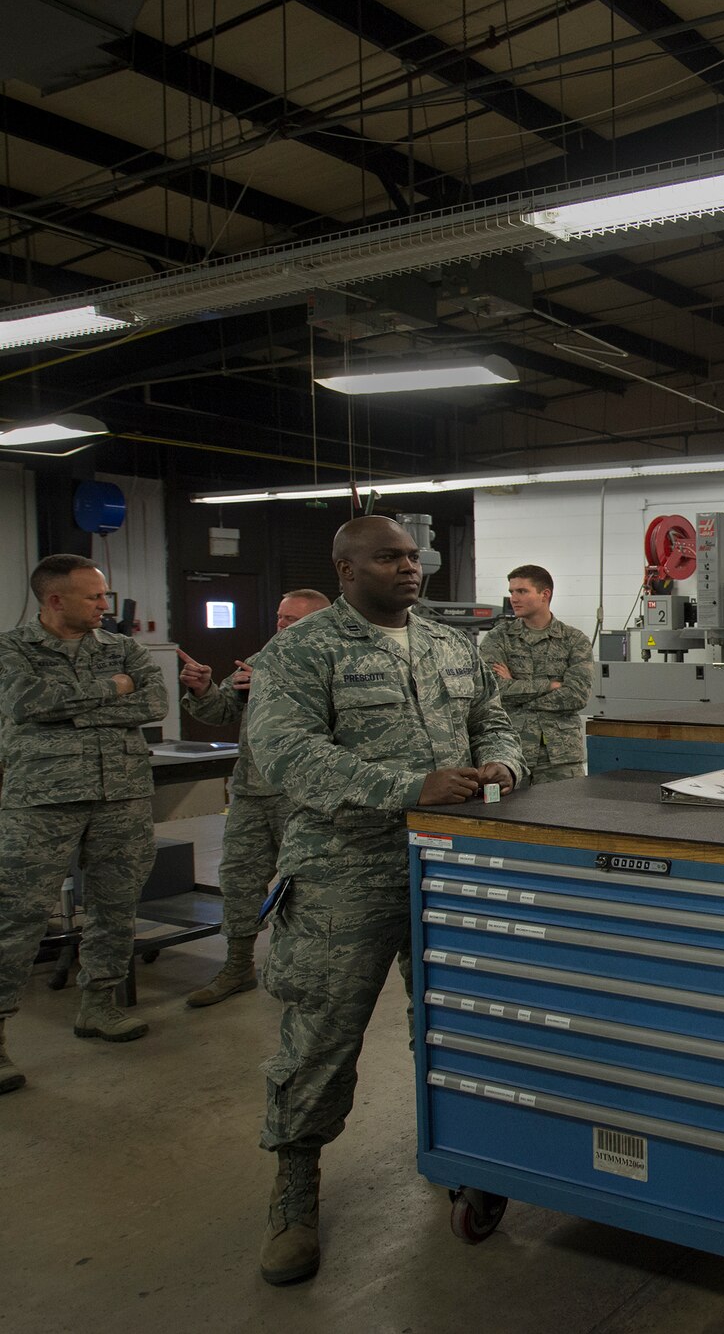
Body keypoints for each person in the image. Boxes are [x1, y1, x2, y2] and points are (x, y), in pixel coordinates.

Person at [248, 516, 522, 1286]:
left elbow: (491, 720)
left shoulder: (449, 644)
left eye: (413, 556)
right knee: (324, 1036)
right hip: (345, 872)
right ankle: (295, 1190)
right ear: (345, 568)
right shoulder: (301, 651)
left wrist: (501, 760)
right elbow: (287, 755)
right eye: (389, 557)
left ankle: (456, 1151)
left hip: (449, 863)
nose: (409, 568)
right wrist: (407, 788)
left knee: (450, 1021)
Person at [0, 554, 168, 1094]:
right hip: (42, 800)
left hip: (121, 794)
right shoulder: (13, 650)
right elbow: (27, 702)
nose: (104, 605)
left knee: (115, 907)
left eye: (104, 595)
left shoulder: (121, 648)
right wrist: (113, 692)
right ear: (54, 600)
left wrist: (73, 710)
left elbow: (157, 700)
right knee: (17, 914)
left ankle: (98, 1006)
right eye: (94, 597)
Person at [176, 588, 331, 1006]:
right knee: (240, 879)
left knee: (306, 885)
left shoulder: (335, 663)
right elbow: (222, 712)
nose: (282, 626)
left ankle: (308, 971)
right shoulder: (260, 661)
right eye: (280, 618)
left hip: (301, 796)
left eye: (292, 621)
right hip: (251, 791)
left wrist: (271, 689)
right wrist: (206, 690)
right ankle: (238, 965)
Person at [477, 564, 594, 781]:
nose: (514, 598)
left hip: (561, 757)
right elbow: (493, 691)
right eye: (511, 591)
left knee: (566, 814)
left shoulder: (573, 640)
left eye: (522, 591)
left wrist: (517, 693)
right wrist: (548, 685)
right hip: (510, 755)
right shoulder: (498, 638)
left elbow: (576, 696)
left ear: (544, 594)